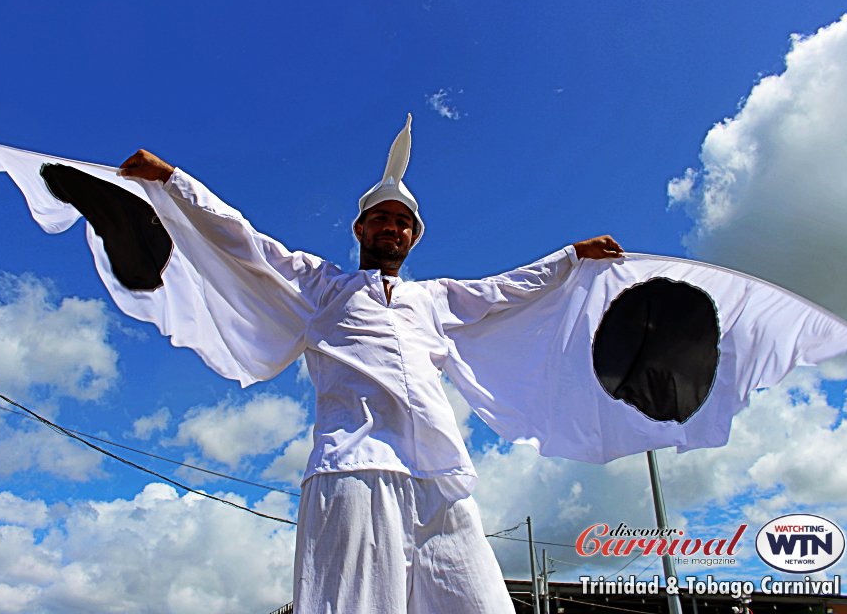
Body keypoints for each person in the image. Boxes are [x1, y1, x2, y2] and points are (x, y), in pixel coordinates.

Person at [119, 115, 622, 613]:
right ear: (360, 228)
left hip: (438, 476)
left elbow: (506, 289)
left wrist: (572, 257)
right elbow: (242, 237)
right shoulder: (322, 285)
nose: (393, 227)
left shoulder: (434, 298)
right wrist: (172, 180)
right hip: (352, 469)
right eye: (382, 217)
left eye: (403, 222)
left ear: (413, 237)